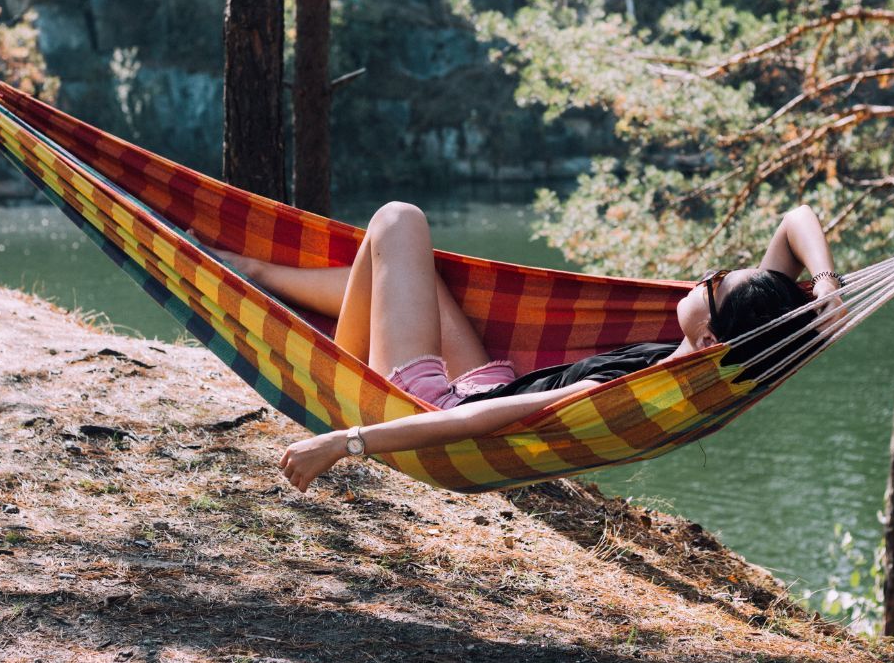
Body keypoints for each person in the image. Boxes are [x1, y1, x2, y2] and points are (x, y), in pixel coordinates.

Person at [219, 202, 842, 492]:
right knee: (414, 268)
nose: (703, 278)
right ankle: (259, 273)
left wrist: (345, 441)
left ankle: (327, 364)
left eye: (710, 285)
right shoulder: (727, 355)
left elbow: (477, 421)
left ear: (709, 335)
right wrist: (825, 284)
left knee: (397, 222)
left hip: (429, 403)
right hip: (488, 377)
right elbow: (795, 220)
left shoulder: (622, 394)